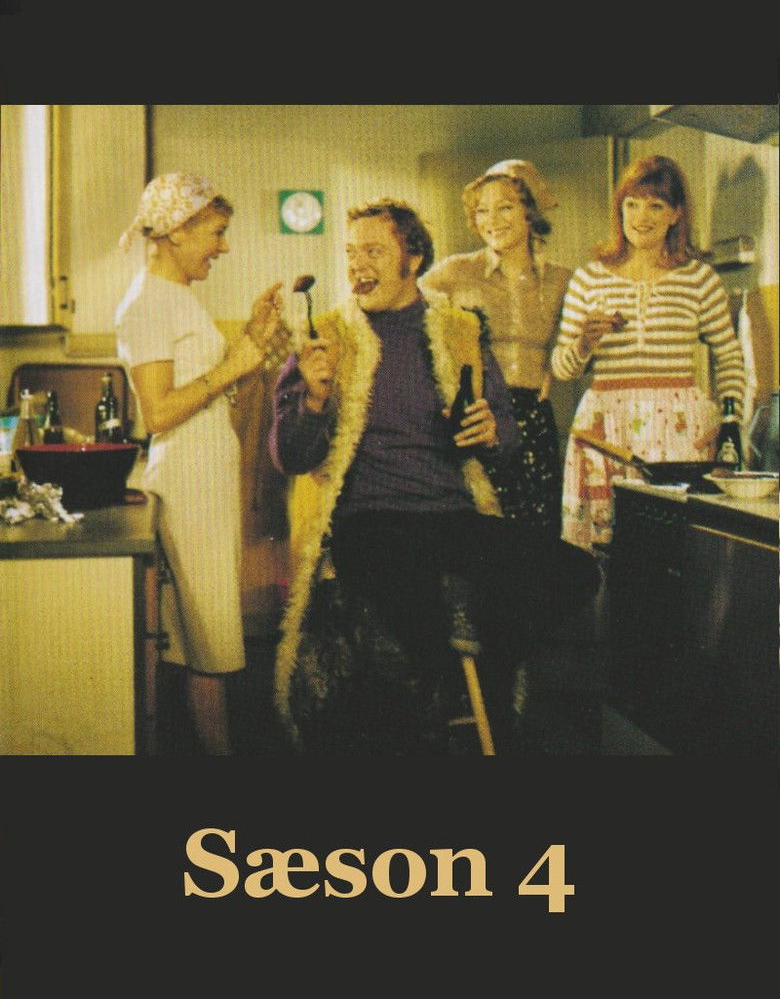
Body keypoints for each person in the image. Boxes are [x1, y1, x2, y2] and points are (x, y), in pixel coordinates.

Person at [269, 197, 599, 755]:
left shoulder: (460, 333)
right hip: (369, 521)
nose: (357, 265)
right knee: (415, 609)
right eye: (351, 253)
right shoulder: (325, 338)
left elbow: (508, 441)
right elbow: (289, 457)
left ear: (413, 259)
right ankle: (444, 715)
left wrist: (492, 433)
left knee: (575, 571)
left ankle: (484, 672)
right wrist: (316, 399)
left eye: (374, 251)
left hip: (451, 517)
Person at [115, 172, 285, 755]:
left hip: (202, 476)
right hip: (189, 481)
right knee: (210, 640)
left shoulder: (175, 297)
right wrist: (236, 365)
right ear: (178, 231)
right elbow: (159, 412)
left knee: (200, 640)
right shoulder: (146, 305)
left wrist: (252, 341)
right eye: (216, 232)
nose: (224, 246)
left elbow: (205, 388)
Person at [551, 154, 746, 552]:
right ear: (620, 209)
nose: (642, 217)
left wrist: (729, 422)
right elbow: (562, 369)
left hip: (679, 432)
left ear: (676, 214)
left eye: (656, 205)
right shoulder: (589, 278)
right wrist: (584, 344)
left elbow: (729, 356)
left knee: (671, 549)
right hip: (606, 431)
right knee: (604, 549)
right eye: (632, 204)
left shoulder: (699, 278)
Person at [421, 159, 571, 534]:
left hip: (535, 421)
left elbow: (576, 351)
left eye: (505, 207)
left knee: (536, 536)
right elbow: (404, 309)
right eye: (482, 211)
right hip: (479, 417)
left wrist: (552, 370)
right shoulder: (456, 271)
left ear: (530, 211)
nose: (492, 221)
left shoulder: (562, 280)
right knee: (482, 531)